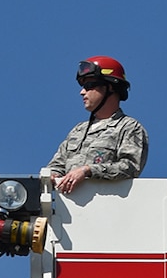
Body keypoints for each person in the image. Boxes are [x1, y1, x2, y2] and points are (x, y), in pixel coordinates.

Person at [45, 57, 148, 194]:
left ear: (110, 87)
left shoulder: (129, 127)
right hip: (69, 209)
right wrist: (52, 175)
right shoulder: (78, 130)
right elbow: (57, 165)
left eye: (89, 86)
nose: (82, 92)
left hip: (106, 207)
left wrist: (88, 170)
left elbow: (130, 167)